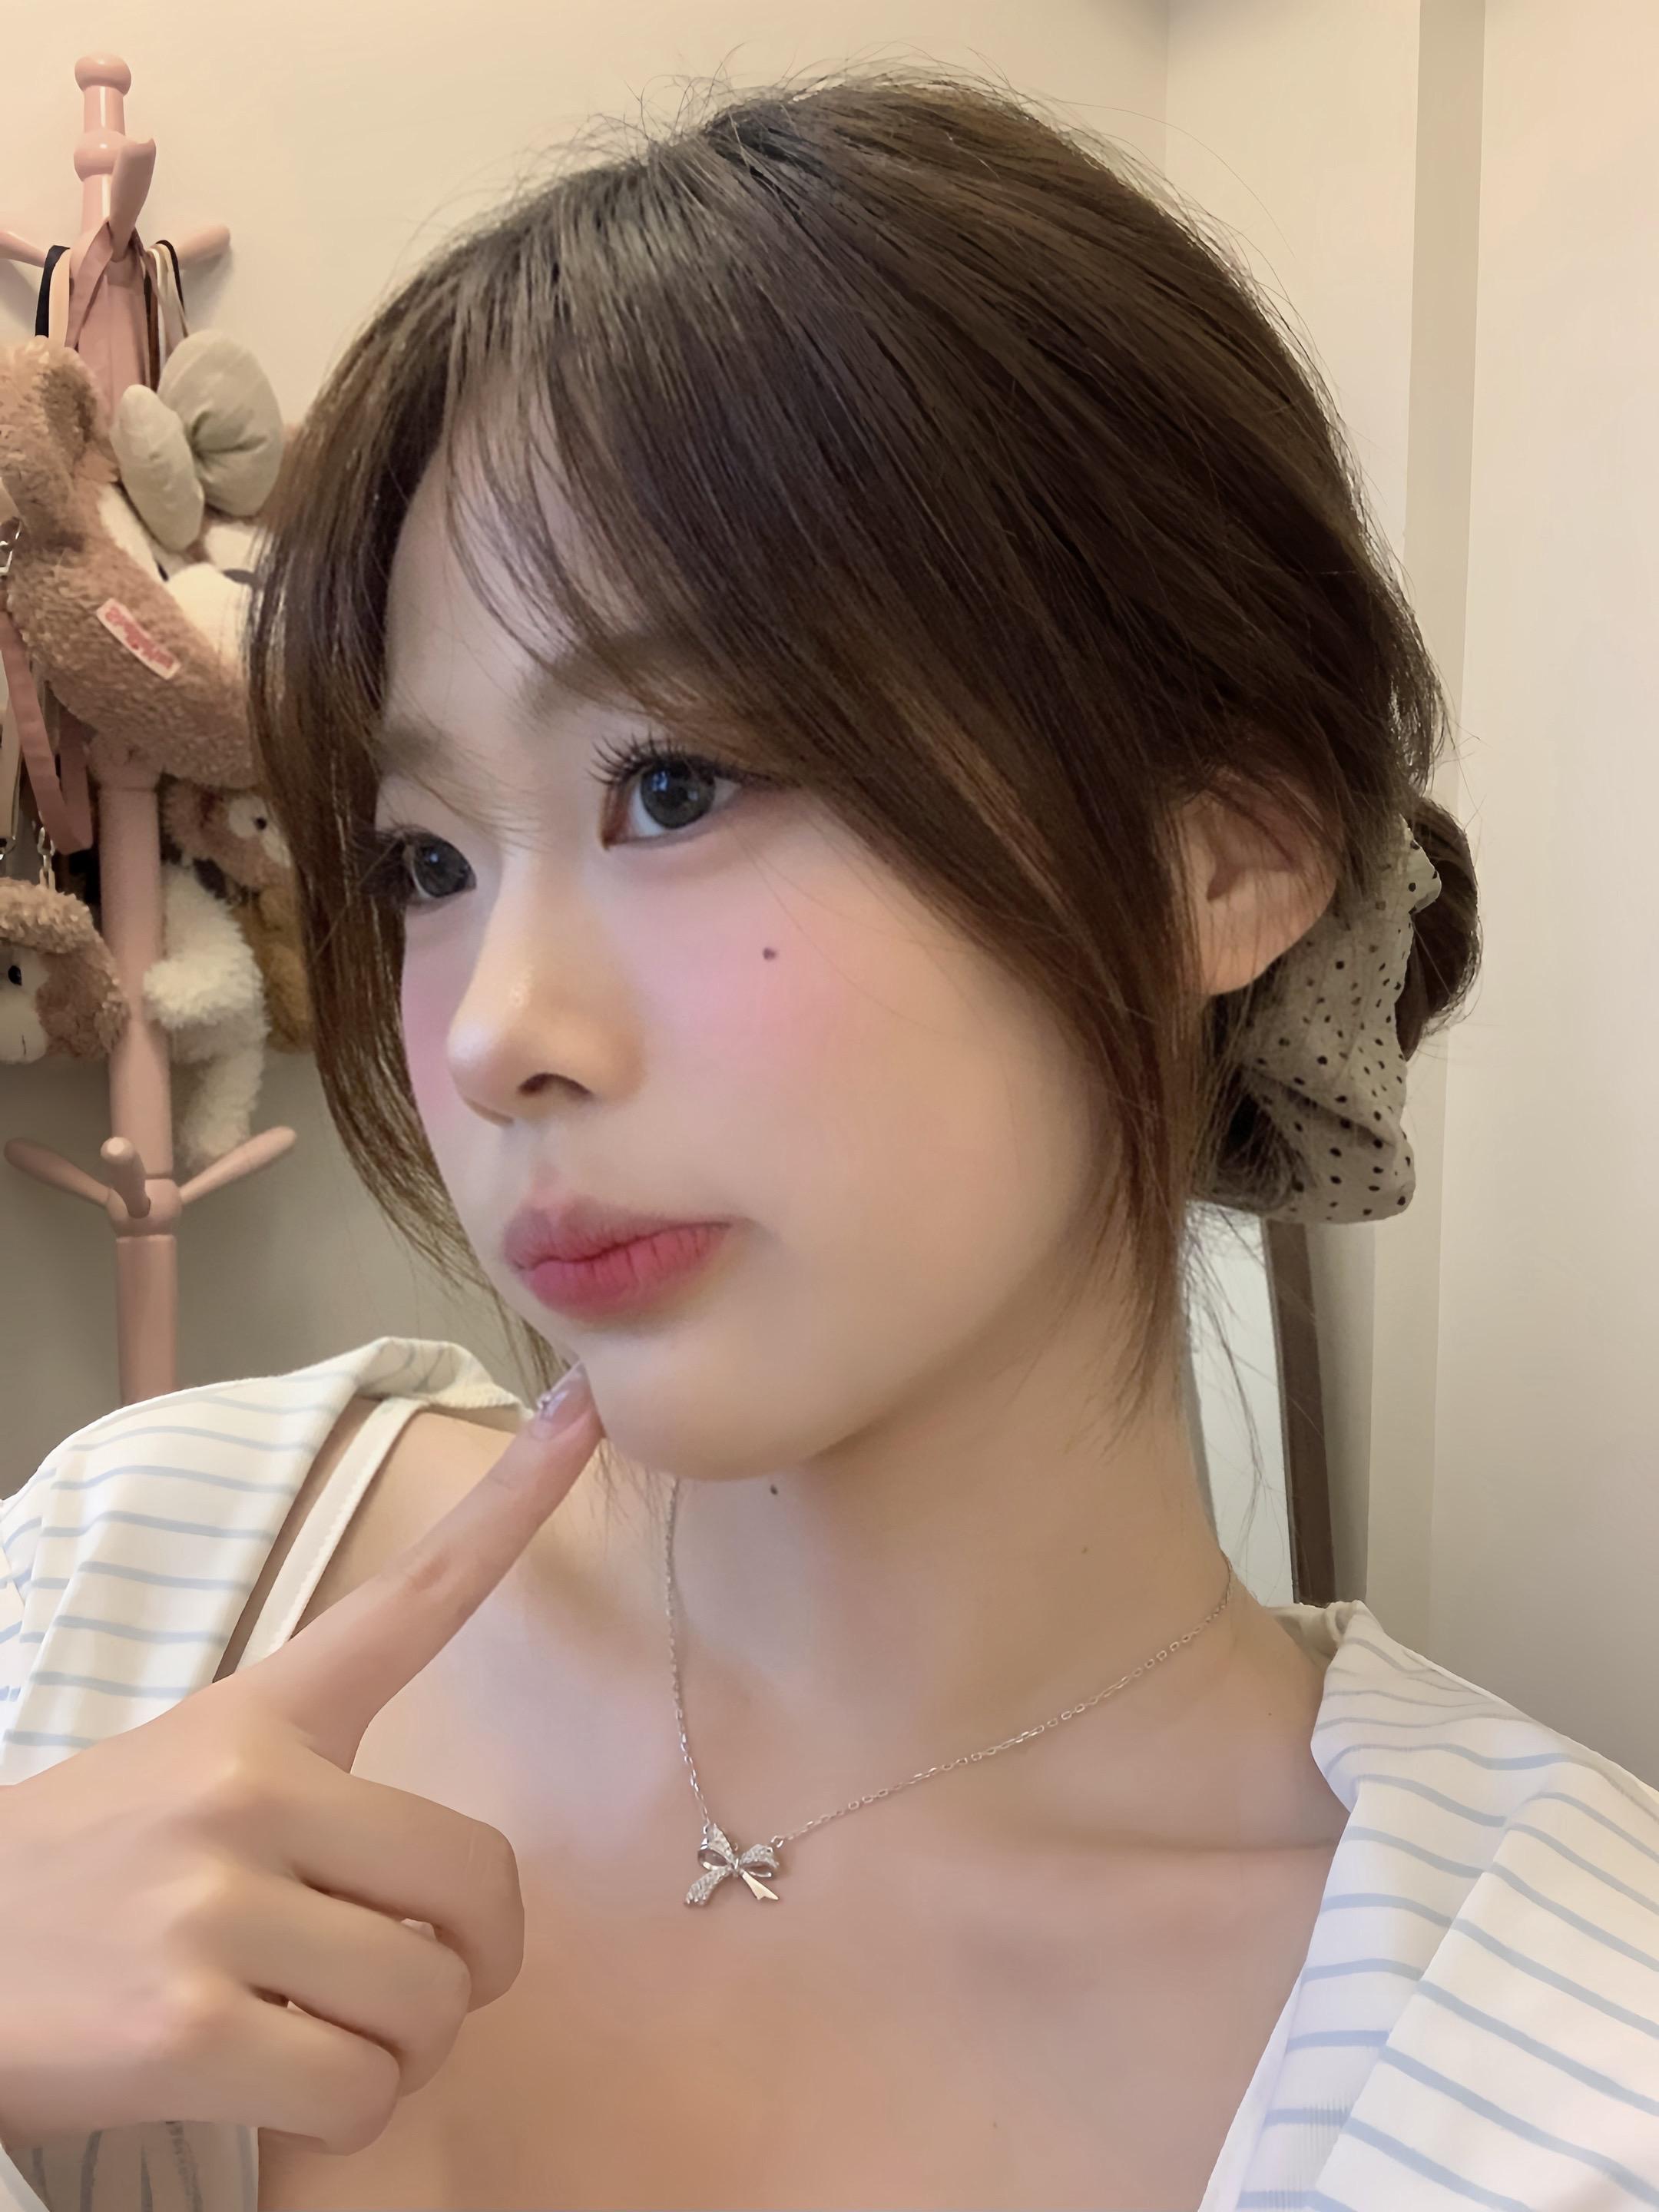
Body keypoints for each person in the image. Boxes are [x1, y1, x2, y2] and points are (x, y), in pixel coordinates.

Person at [2, 61, 1656, 2212]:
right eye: (426, 863)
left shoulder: (1559, 2069)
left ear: (1225, 854)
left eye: (675, 787)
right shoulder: (120, 1584)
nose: (493, 1036)